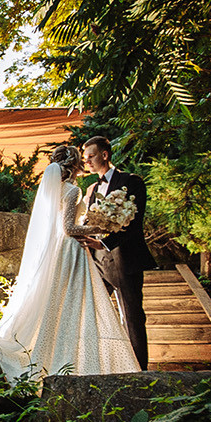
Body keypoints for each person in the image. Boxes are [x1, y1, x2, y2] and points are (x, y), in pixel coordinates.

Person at [0, 144, 139, 382]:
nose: (83, 164)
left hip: (60, 250)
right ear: (73, 165)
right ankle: (74, 358)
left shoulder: (57, 189)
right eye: (80, 161)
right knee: (74, 304)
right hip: (71, 250)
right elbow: (69, 228)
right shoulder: (72, 190)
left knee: (63, 304)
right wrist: (98, 228)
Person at [74, 135, 150, 368]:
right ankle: (103, 362)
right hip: (98, 261)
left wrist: (105, 243)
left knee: (132, 315)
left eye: (90, 156)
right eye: (84, 158)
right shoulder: (91, 188)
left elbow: (135, 224)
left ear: (104, 155)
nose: (86, 161)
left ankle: (139, 369)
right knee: (92, 310)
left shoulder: (131, 182)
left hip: (125, 258)